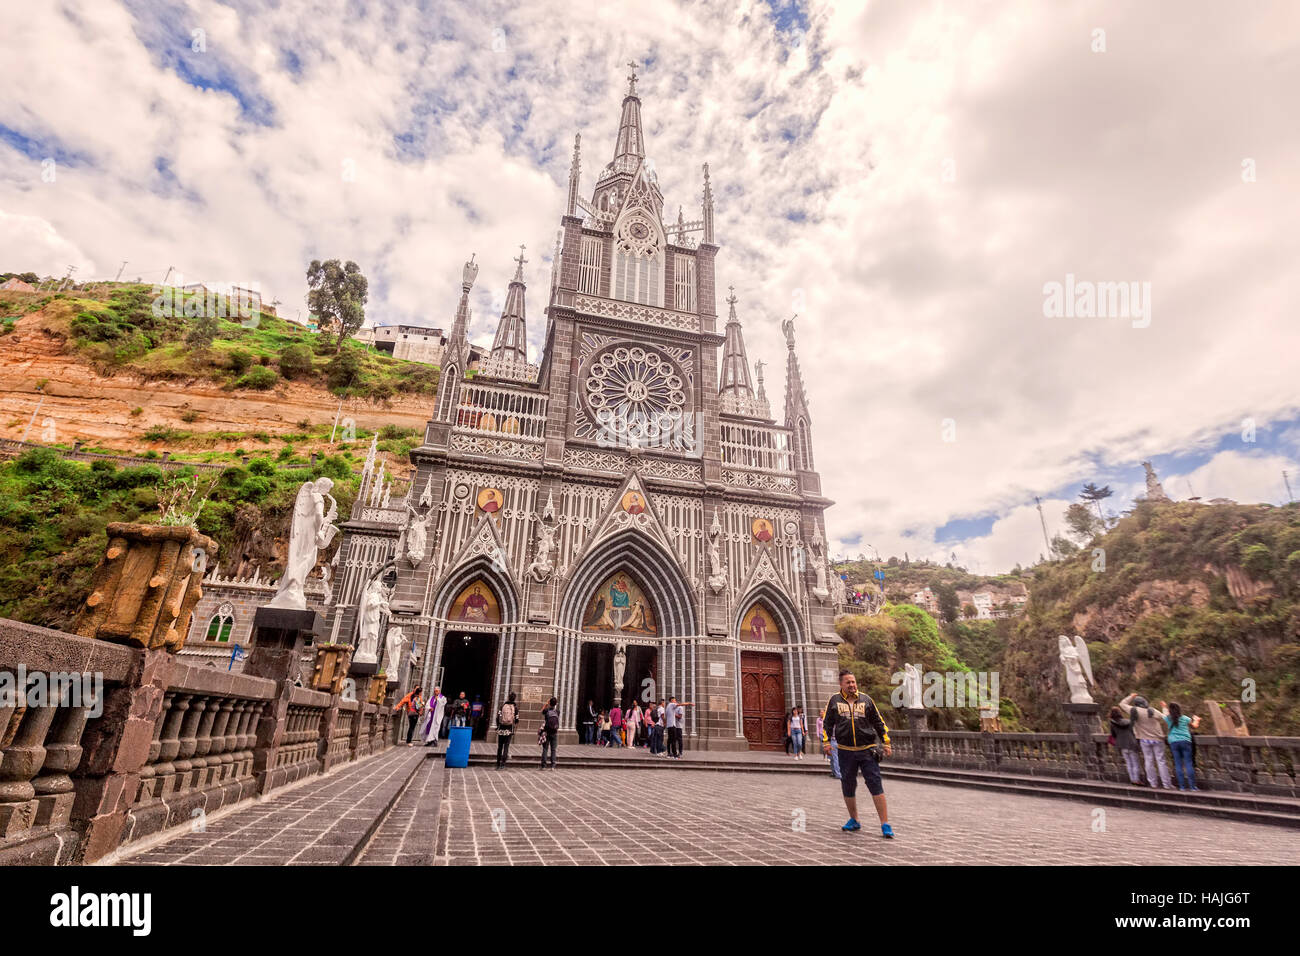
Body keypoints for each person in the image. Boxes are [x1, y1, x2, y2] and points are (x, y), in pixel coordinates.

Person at [822, 669, 893, 837]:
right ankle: (854, 819)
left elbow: (878, 722)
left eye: (853, 682)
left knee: (875, 784)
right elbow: (827, 723)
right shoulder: (834, 701)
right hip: (846, 751)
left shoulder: (866, 700)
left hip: (867, 749)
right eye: (848, 682)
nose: (852, 685)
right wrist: (825, 742)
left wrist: (886, 742)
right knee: (848, 784)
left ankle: (885, 823)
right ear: (841, 684)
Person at [1119, 693, 1173, 790]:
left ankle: (1153, 783)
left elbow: (1122, 704)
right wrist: (1164, 707)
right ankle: (1166, 784)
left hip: (1144, 740)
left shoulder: (1134, 711)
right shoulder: (1152, 711)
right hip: (1157, 739)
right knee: (1161, 761)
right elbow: (1165, 717)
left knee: (1148, 761)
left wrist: (1131, 696)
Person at [1161, 700, 1201, 791]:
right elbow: (1195, 726)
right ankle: (1192, 786)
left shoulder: (1168, 719)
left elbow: (1164, 714)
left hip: (1173, 742)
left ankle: (1182, 786)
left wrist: (1164, 706)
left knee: (1178, 764)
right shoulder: (1185, 718)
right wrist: (1196, 719)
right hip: (1185, 741)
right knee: (1188, 764)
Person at [1108, 705, 1143, 786]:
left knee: (1129, 763)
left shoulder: (1112, 724)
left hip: (1122, 745)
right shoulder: (1128, 722)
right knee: (1135, 763)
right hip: (1131, 744)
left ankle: (1132, 779)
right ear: (1120, 713)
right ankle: (1137, 779)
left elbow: (1113, 735)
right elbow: (1133, 732)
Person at [495, 692, 518, 769]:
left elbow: (498, 717)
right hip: (509, 728)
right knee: (506, 746)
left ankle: (497, 763)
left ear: (508, 697)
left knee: (500, 747)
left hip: (501, 728)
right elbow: (517, 719)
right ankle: (503, 764)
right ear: (514, 698)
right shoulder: (515, 707)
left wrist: (498, 725)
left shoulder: (503, 706)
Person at [539, 697, 560, 769]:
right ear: (555, 704)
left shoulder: (546, 710)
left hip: (547, 732)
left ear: (550, 703)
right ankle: (553, 765)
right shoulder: (557, 711)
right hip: (554, 732)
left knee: (545, 749)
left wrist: (546, 704)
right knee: (553, 749)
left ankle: (543, 766)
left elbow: (541, 711)